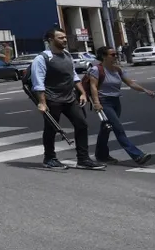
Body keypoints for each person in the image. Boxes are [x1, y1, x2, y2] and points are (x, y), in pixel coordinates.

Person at [30, 28, 104, 171]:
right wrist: (42, 103)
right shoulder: (42, 58)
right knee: (51, 129)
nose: (64, 40)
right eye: (60, 38)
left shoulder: (67, 55)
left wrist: (82, 93)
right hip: (52, 100)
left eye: (65, 37)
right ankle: (49, 158)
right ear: (51, 40)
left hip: (70, 98)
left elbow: (74, 77)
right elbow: (38, 83)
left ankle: (83, 159)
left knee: (81, 125)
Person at [87, 46, 155, 166]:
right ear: (104, 56)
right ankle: (137, 155)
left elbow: (130, 83)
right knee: (118, 129)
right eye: (112, 55)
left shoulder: (118, 70)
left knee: (106, 129)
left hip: (115, 101)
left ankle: (101, 155)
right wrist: (96, 103)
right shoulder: (96, 70)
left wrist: (145, 90)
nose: (115, 56)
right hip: (104, 102)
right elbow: (93, 86)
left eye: (116, 54)